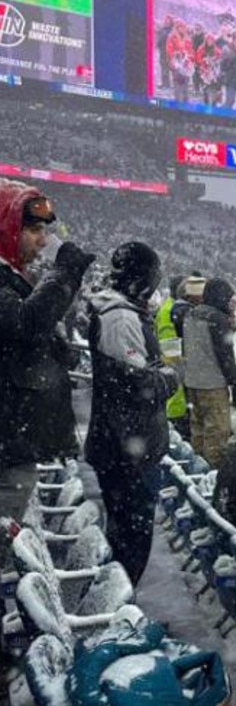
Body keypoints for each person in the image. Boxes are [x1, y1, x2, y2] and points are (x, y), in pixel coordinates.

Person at [0, 183, 94, 549]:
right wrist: (65, 274)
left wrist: (58, 352)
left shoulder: (12, 274)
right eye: (34, 229)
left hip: (12, 442)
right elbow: (25, 324)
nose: (42, 241)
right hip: (7, 446)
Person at [85, 242, 178, 587]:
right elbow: (133, 382)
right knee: (131, 540)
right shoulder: (121, 317)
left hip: (125, 445)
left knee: (127, 534)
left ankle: (120, 603)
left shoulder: (121, 312)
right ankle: (120, 608)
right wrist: (169, 378)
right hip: (128, 450)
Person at [183, 277, 236, 470]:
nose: (229, 302)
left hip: (192, 382)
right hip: (213, 385)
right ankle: (214, 475)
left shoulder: (191, 314)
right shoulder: (217, 319)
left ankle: (197, 471)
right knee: (217, 434)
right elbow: (226, 357)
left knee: (198, 432)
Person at [154, 275, 189, 440]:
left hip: (173, 375)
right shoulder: (169, 311)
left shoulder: (170, 308)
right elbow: (170, 349)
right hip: (175, 387)